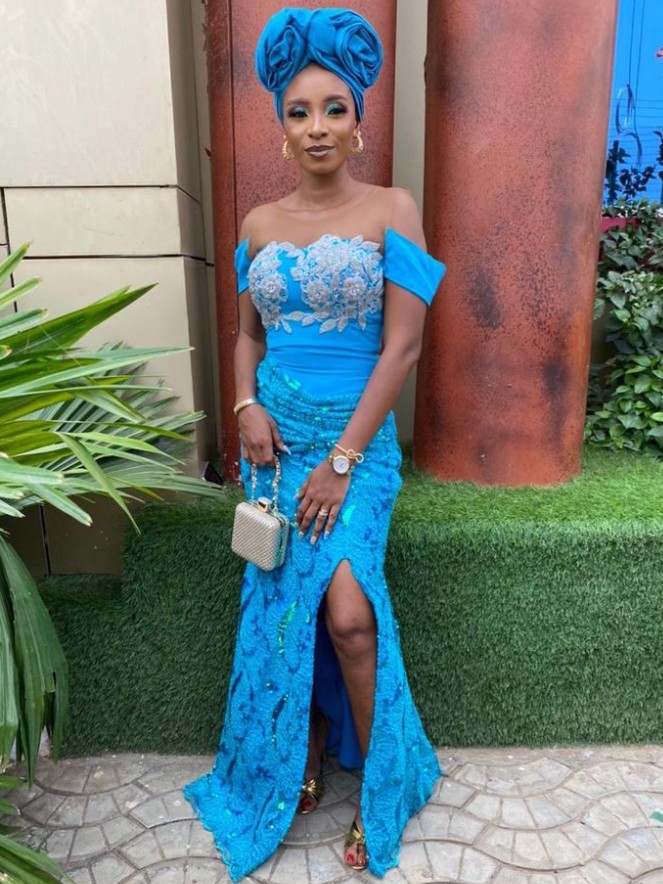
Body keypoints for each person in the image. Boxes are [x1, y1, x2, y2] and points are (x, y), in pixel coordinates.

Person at [183, 7, 446, 880]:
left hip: (355, 454)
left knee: (348, 617)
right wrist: (243, 404)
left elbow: (402, 348)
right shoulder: (258, 223)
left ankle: (377, 786)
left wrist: (340, 462)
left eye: (334, 108)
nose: (317, 126)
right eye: (299, 112)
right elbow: (245, 336)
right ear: (282, 128)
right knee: (282, 612)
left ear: (358, 121)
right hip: (274, 449)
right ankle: (302, 743)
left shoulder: (393, 208)